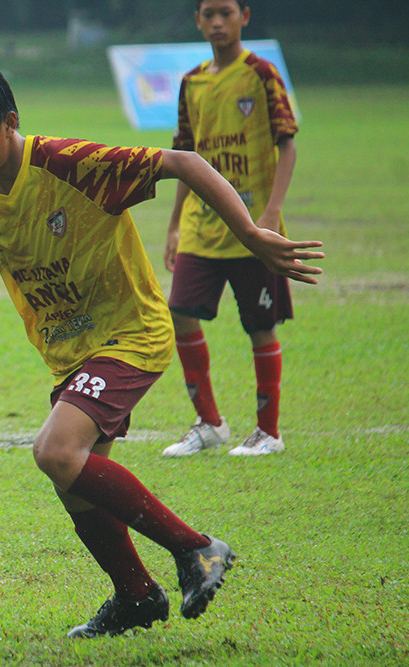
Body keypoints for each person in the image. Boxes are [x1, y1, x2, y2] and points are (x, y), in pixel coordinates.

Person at [0, 61, 323, 638]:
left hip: (131, 333)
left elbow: (183, 163)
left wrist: (248, 234)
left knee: (55, 452)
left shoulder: (71, 165)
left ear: (8, 123)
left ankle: (197, 549)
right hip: (74, 353)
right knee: (76, 483)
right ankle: (137, 597)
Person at [162, 0, 300, 458]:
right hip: (202, 225)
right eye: (208, 14)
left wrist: (269, 214)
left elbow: (287, 145)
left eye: (226, 12)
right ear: (197, 21)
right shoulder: (192, 82)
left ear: (245, 15)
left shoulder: (260, 74)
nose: (217, 22)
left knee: (260, 326)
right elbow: (185, 159)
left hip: (254, 230)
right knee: (180, 311)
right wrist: (175, 225)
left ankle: (269, 432)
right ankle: (209, 423)